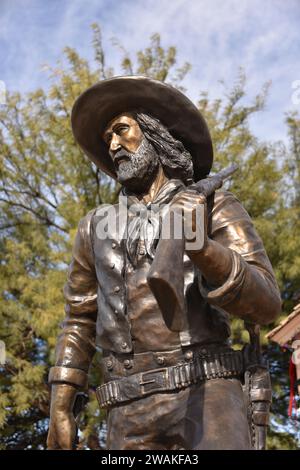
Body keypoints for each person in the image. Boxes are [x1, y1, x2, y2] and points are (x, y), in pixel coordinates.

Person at [47, 76, 281, 450]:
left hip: (208, 393)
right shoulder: (94, 226)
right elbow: (78, 318)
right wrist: (60, 404)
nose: (113, 144)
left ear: (154, 134)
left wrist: (202, 249)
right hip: (126, 408)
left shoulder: (214, 205)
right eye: (107, 137)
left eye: (122, 130)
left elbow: (266, 302)